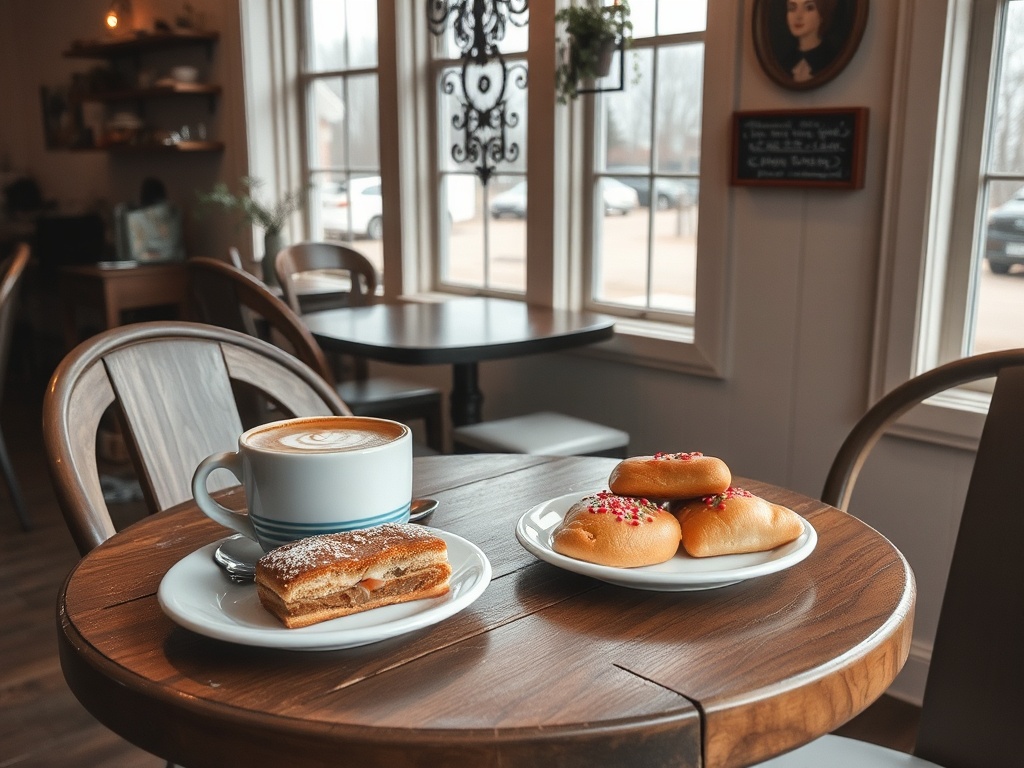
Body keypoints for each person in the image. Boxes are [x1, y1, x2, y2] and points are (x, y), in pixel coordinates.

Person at [778, 0, 839, 83]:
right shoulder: (784, 63)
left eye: (809, 8)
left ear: (822, 14)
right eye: (792, 8)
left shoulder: (832, 59)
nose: (798, 16)